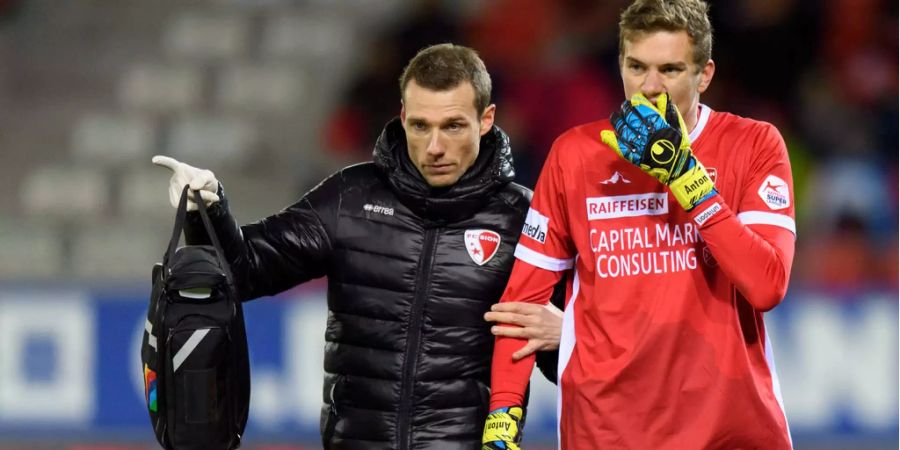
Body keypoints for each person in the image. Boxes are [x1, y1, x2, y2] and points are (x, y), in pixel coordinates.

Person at [153, 43, 562, 450]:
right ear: (402, 117)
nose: (434, 146)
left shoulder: (526, 220)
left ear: (486, 120)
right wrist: (207, 211)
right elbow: (245, 271)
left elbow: (572, 362)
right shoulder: (350, 197)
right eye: (420, 126)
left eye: (452, 126)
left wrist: (569, 335)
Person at [482, 0, 796, 449]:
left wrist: (687, 180)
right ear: (620, 65)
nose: (649, 87)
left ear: (704, 75)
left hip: (729, 433)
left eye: (669, 70)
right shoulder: (574, 155)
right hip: (606, 433)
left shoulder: (753, 144)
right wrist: (503, 414)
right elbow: (521, 305)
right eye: (636, 66)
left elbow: (767, 286)